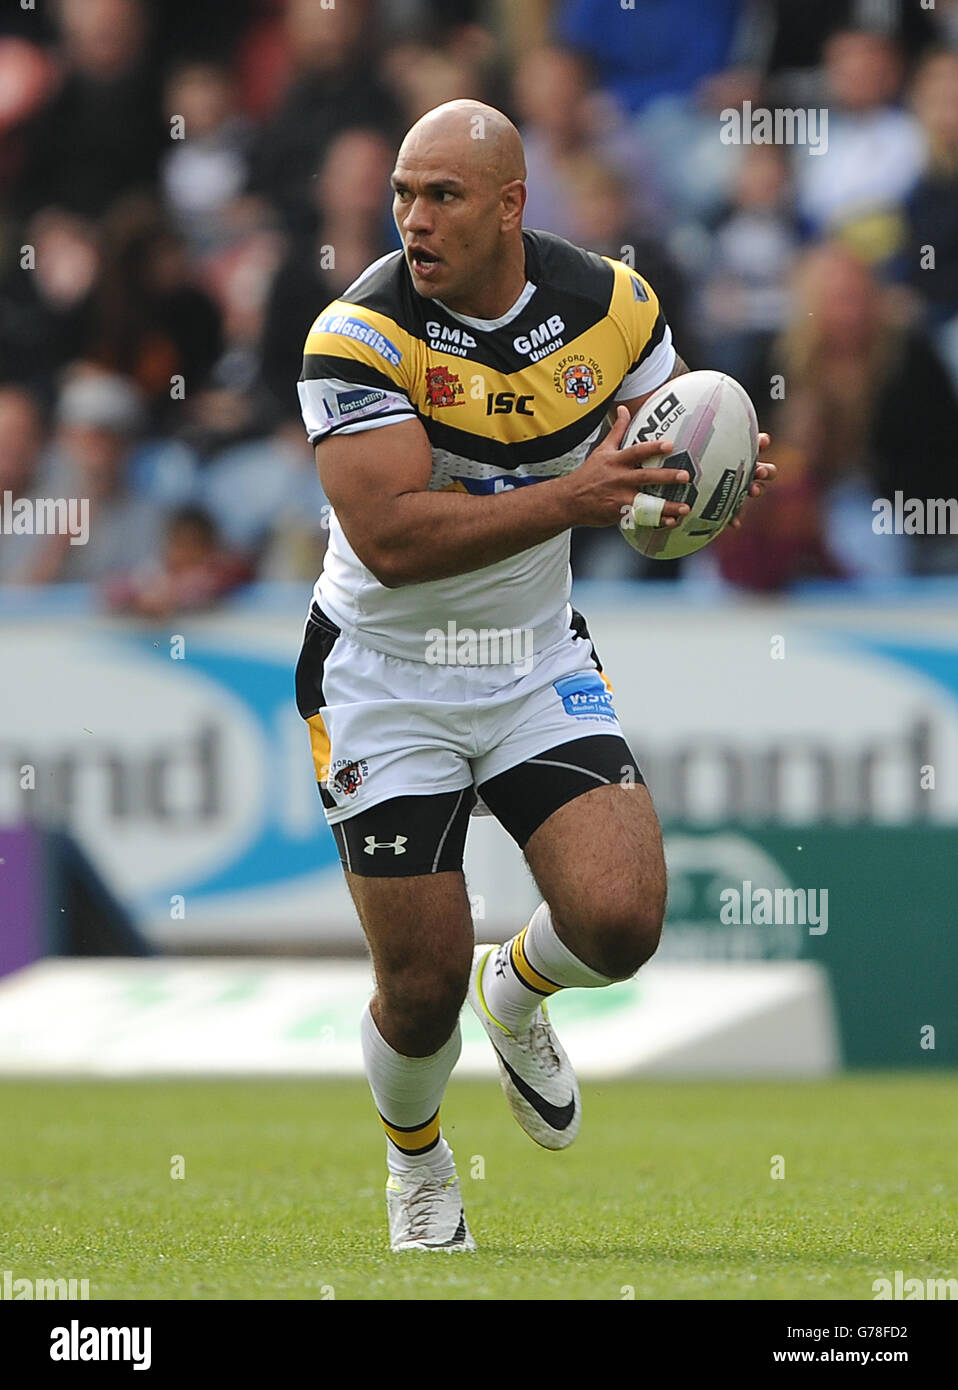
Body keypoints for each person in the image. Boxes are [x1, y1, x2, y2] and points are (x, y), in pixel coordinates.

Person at [294, 100, 775, 1251]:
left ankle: (516, 988)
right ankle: (417, 1165)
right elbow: (396, 541)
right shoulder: (354, 338)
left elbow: (651, 446)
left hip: (529, 657)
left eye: (442, 195)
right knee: (415, 990)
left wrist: (707, 474)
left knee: (620, 919)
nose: (413, 218)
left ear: (512, 203)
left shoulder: (612, 304)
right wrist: (577, 497)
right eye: (402, 194)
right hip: (384, 673)